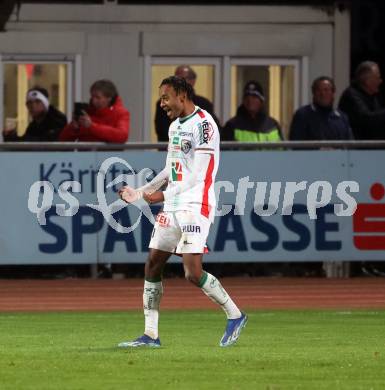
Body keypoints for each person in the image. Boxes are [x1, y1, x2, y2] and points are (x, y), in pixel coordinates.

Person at [118, 76, 247, 348]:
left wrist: (159, 196)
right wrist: (141, 191)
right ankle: (150, 335)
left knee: (192, 272)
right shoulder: (175, 126)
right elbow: (171, 170)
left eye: (166, 97)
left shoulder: (205, 125)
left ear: (182, 96)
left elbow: (195, 176)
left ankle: (235, 315)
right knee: (153, 262)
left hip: (196, 204)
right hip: (174, 203)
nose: (162, 103)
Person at [154, 65, 220, 141]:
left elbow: (213, 129)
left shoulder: (204, 103)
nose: (179, 83)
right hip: (171, 146)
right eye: (176, 79)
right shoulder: (164, 103)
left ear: (193, 80)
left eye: (183, 79)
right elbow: (161, 131)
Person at [59, 79, 129, 143]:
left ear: (109, 98)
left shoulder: (121, 113)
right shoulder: (87, 113)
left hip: (109, 156)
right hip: (85, 156)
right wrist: (73, 128)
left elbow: (122, 136)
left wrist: (92, 127)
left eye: (98, 98)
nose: (93, 100)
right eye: (92, 96)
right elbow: (62, 140)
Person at [289, 76, 353, 140]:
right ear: (313, 93)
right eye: (318, 90)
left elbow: (350, 144)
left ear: (333, 93)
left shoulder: (342, 118)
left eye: (326, 90)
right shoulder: (302, 115)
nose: (323, 94)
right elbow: (296, 143)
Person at [338, 61, 385, 139]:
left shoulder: (373, 97)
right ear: (367, 81)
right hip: (357, 148)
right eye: (377, 78)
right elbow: (366, 118)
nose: (380, 81)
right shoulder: (351, 95)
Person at [3, 87, 67, 142]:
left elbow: (46, 142)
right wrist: (10, 137)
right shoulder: (33, 125)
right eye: (29, 103)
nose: (33, 106)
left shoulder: (58, 120)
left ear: (45, 104)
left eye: (37, 102)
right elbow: (26, 143)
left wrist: (16, 139)